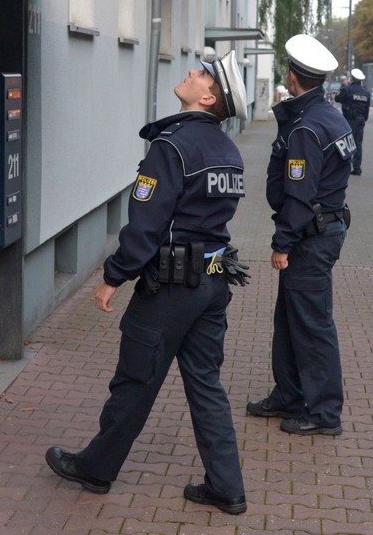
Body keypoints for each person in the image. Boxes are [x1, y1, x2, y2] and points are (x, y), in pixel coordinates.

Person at [46, 51, 250, 515]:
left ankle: (95, 469)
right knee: (206, 386)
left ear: (207, 96)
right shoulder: (229, 151)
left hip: (171, 290)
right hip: (213, 284)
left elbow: (147, 224)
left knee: (135, 381)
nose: (192, 71)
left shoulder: (172, 145)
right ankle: (227, 486)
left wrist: (113, 277)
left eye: (201, 73)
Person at [246, 34, 355, 436]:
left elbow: (299, 194)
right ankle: (289, 396)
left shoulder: (307, 129)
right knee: (291, 319)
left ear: (292, 77)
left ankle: (324, 413)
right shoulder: (331, 116)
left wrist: (281, 243)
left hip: (310, 236)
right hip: (323, 230)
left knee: (311, 325)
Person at [334, 68, 371, 175]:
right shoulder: (366, 92)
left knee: (347, 142)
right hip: (361, 120)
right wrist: (363, 119)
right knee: (358, 144)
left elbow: (338, 99)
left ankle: (345, 167)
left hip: (349, 120)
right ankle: (357, 168)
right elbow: (367, 108)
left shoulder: (347, 89)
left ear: (352, 78)